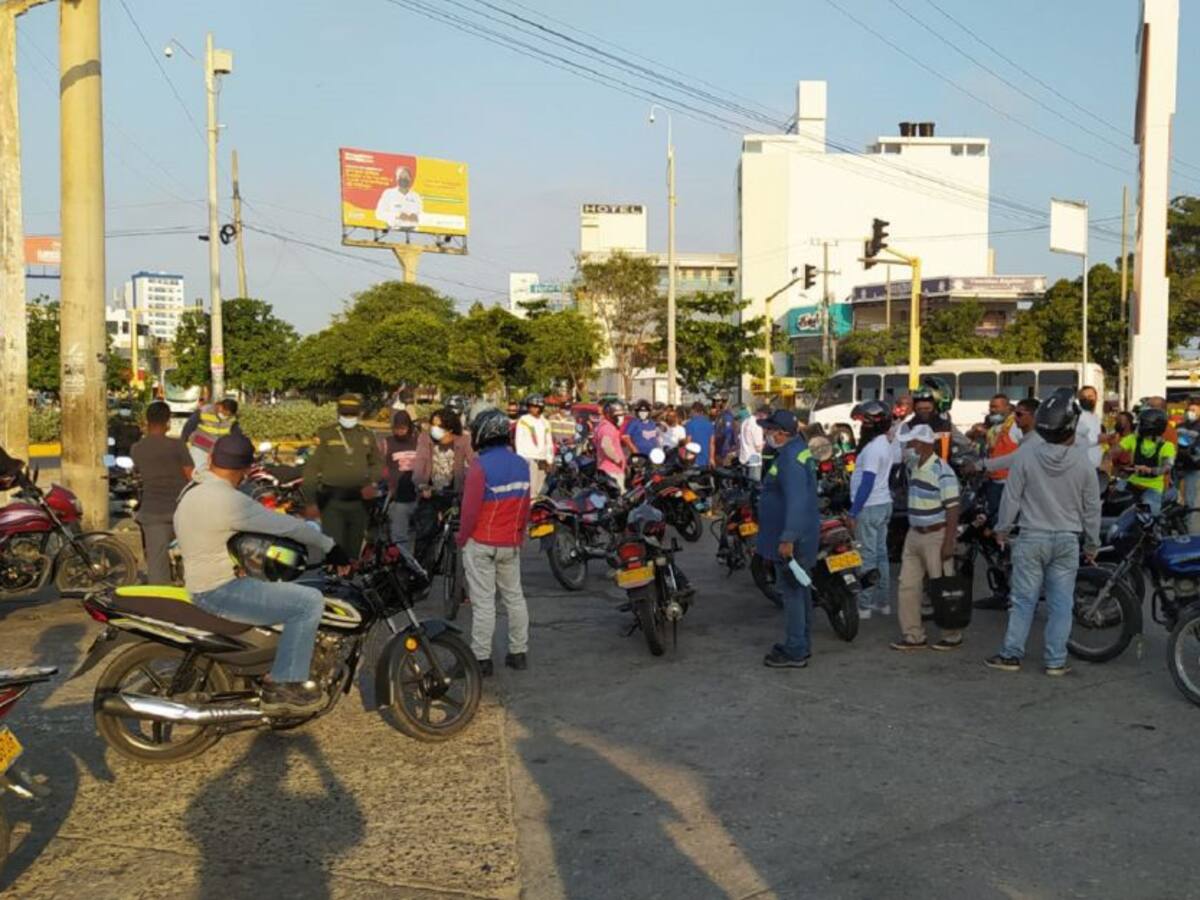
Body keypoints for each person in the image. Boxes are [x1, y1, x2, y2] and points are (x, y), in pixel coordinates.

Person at [176, 433, 347, 715]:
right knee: (309, 602)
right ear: (245, 470)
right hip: (219, 591)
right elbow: (287, 526)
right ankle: (283, 686)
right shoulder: (230, 501)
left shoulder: (192, 491)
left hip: (200, 581)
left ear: (211, 459)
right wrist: (331, 547)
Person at [987, 389, 1100, 677]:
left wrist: (1002, 529)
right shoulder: (1083, 464)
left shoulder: (1027, 456)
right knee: (1061, 604)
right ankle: (1055, 661)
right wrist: (1092, 543)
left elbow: (1011, 498)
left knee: (1023, 601)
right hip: (1067, 540)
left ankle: (1011, 655)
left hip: (1031, 537)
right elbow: (1091, 509)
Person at [457, 409, 532, 676]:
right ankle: (518, 653)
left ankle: (481, 659)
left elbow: (469, 511)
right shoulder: (522, 464)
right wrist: (519, 536)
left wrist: (461, 538)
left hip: (481, 543)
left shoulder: (479, 466)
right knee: (514, 597)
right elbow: (525, 506)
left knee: (484, 603)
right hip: (510, 543)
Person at [756, 410, 821, 668]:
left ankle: (795, 650)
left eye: (769, 430)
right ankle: (801, 643)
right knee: (800, 591)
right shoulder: (796, 450)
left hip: (794, 537)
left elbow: (796, 501)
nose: (766, 434)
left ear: (782, 433)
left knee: (792, 593)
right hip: (803, 532)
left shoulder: (791, 460)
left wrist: (788, 538)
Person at [891, 423, 963, 652]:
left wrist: (949, 542)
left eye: (912, 441)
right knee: (908, 586)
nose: (909, 445)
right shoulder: (915, 464)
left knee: (942, 586)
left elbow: (953, 508)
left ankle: (952, 635)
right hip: (915, 534)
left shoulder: (942, 471)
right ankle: (913, 635)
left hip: (936, 535)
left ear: (922, 443)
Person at [302, 394, 384, 558]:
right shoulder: (326, 434)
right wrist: (311, 501)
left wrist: (372, 482)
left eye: (352, 414)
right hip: (333, 502)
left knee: (354, 551)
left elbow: (377, 463)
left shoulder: (367, 435)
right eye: (345, 414)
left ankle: (349, 571)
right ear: (338, 412)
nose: (349, 418)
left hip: (359, 502)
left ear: (359, 413)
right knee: (335, 550)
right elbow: (311, 468)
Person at [130, 401, 194, 585]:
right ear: (168, 422)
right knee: (193, 558)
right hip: (181, 511)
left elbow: (138, 473)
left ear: (146, 422)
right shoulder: (177, 445)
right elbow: (191, 475)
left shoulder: (137, 448)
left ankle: (160, 598)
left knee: (157, 567)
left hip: (153, 513)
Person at [847, 400, 895, 619]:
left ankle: (864, 607)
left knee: (866, 557)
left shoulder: (873, 448)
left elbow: (867, 483)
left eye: (863, 422)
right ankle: (882, 603)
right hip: (883, 504)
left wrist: (853, 512)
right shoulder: (884, 443)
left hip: (869, 506)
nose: (861, 426)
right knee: (881, 555)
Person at [1118, 407, 1176, 514]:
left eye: (1142, 423)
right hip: (1132, 484)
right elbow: (1115, 450)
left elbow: (1167, 467)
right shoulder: (1133, 439)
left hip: (1152, 488)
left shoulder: (1167, 446)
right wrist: (1107, 458)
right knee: (1116, 506)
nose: (1138, 426)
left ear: (1151, 426)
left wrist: (1150, 470)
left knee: (1146, 516)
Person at [414, 407, 472, 494]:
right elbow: (420, 463)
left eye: (439, 426)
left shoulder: (464, 440)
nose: (434, 429)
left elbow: (473, 463)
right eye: (433, 425)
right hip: (430, 492)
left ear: (450, 430)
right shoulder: (425, 439)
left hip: (455, 493)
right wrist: (421, 485)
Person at [383, 410, 419, 545]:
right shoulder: (387, 443)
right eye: (396, 428)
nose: (399, 431)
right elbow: (380, 466)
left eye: (403, 428)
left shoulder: (418, 442)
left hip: (418, 493)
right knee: (399, 534)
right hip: (398, 496)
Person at [185, 398, 240, 473]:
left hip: (217, 451)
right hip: (200, 446)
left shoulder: (233, 418)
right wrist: (183, 442)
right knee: (197, 472)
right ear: (220, 406)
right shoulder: (204, 411)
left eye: (228, 415)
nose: (225, 416)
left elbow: (234, 434)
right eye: (224, 413)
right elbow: (189, 426)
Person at [514, 394, 554, 497]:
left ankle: (535, 505)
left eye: (535, 406)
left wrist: (550, 459)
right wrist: (521, 459)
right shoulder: (524, 420)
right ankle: (530, 506)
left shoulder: (546, 422)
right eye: (531, 406)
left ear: (541, 407)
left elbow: (549, 442)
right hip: (529, 459)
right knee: (531, 490)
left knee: (539, 489)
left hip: (543, 460)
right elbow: (519, 441)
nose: (533, 409)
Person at [374, 164, 422, 230]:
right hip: (393, 230)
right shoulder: (388, 193)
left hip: (413, 231)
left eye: (406, 177)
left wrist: (417, 217)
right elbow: (379, 214)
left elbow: (422, 215)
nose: (403, 179)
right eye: (400, 176)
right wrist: (397, 215)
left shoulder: (416, 196)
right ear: (396, 178)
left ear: (410, 179)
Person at [1177, 398, 1200, 534]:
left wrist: (1193, 453)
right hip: (1177, 466)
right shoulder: (1179, 426)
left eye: (1194, 410)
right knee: (1173, 496)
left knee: (1189, 498)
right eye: (1189, 410)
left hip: (1193, 466)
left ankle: (1187, 527)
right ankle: (1174, 522)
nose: (1190, 412)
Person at [593, 401, 627, 491]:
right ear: (609, 415)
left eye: (622, 415)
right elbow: (605, 445)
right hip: (612, 471)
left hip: (608, 470)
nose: (621, 418)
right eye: (618, 416)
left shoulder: (603, 426)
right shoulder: (608, 428)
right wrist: (617, 460)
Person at [1075, 385, 1103, 469]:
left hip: (1096, 465)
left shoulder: (1096, 417)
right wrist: (1099, 439)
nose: (1087, 399)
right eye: (1083, 397)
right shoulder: (1078, 416)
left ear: (1096, 397)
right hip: (1082, 466)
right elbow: (1077, 441)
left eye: (1090, 396)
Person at [737, 404, 765, 481]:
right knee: (754, 484)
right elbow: (758, 447)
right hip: (754, 459)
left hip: (744, 457)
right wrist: (764, 443)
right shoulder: (757, 425)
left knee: (745, 483)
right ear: (762, 414)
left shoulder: (745, 422)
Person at [685, 401, 716, 469]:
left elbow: (688, 442)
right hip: (706, 460)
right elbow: (712, 443)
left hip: (694, 460)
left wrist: (687, 458)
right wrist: (712, 458)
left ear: (693, 411)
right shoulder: (710, 424)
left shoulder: (690, 424)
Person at [711, 394, 738, 466]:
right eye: (715, 401)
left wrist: (724, 452)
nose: (717, 403)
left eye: (720, 401)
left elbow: (728, 434)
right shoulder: (720, 416)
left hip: (725, 451)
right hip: (719, 449)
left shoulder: (727, 416)